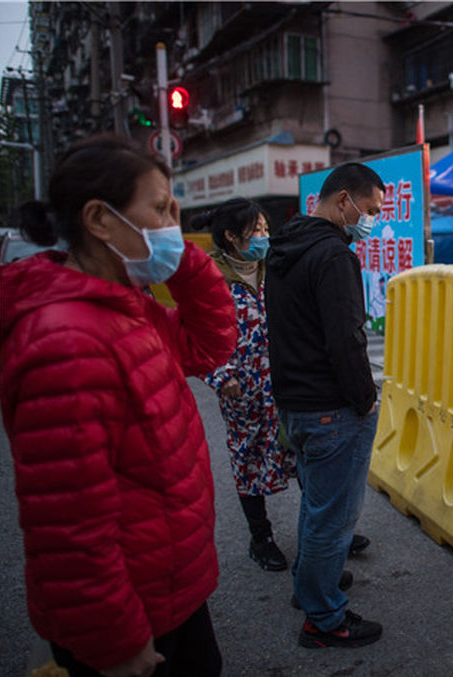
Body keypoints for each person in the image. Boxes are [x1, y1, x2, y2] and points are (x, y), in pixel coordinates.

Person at [0, 134, 236, 676]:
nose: (173, 225)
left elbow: (209, 345)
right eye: (161, 209)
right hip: (129, 618)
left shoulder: (125, 306)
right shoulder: (65, 341)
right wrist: (116, 640)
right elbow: (69, 523)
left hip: (168, 585)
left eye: (175, 212)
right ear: (100, 220)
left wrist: (181, 259)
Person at [265, 162, 385, 649]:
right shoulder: (334, 256)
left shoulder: (284, 247)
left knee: (316, 507)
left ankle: (312, 584)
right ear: (343, 201)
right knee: (333, 518)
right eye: (370, 209)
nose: (371, 220)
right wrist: (365, 400)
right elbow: (345, 340)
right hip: (331, 408)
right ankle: (324, 618)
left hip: (294, 402)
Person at [193, 198, 297, 572]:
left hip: (286, 382)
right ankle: (261, 538)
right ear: (231, 237)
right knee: (248, 459)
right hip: (243, 391)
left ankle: (327, 532)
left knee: (304, 452)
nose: (265, 237)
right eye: (256, 231)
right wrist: (222, 377)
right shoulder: (208, 280)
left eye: (266, 229)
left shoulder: (275, 268)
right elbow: (196, 337)